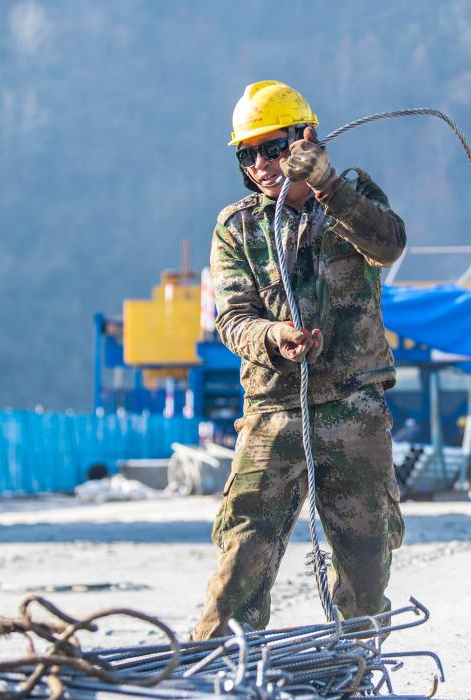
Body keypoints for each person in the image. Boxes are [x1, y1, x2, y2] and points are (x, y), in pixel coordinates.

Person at [191, 81, 406, 640]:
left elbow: (388, 245)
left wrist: (328, 186)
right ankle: (217, 668)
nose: (261, 164)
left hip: (353, 406)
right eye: (248, 155)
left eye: (273, 147)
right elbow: (233, 317)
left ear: (304, 138)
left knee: (365, 565)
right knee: (241, 559)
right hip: (275, 409)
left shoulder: (353, 196)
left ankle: (355, 669)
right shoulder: (237, 226)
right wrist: (274, 338)